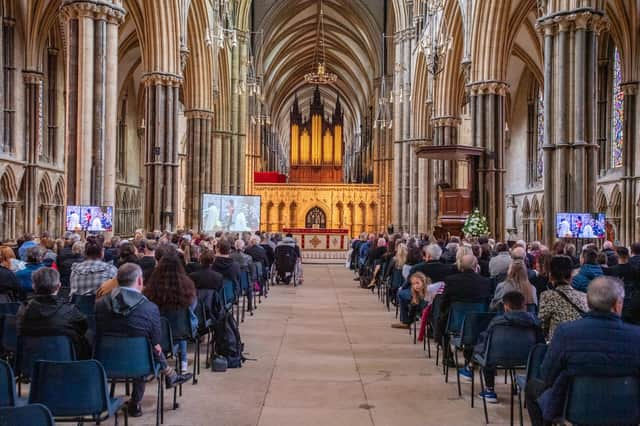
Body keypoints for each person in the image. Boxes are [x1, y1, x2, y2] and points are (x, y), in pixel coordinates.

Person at [526, 277, 640, 426]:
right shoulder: (636, 336)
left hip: (576, 410)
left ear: (588, 302)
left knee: (532, 387)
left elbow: (547, 375)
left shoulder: (566, 333)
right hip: (627, 412)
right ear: (618, 304)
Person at [96, 263, 192, 417]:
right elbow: (156, 339)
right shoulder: (149, 308)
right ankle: (137, 401)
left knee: (145, 346)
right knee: (149, 346)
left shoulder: (100, 305)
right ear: (140, 281)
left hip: (106, 362)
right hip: (140, 364)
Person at [470, 291, 544, 403]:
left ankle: (490, 390)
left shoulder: (497, 322)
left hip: (496, 357)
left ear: (506, 306)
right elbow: (540, 343)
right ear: (524, 305)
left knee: (484, 350)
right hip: (527, 359)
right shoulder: (535, 322)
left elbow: (486, 340)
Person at [16, 268, 90, 359]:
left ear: (33, 286)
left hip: (30, 364)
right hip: (64, 362)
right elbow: (83, 327)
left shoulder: (23, 310)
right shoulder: (70, 310)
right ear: (59, 286)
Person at [144, 255, 197, 374]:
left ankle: (163, 363)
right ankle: (183, 362)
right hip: (180, 330)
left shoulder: (151, 287)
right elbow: (192, 307)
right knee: (181, 323)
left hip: (156, 333)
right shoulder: (187, 286)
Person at [439, 255, 492, 367]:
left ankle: (448, 356)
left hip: (456, 323)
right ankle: (472, 356)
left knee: (441, 320)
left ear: (460, 266)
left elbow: (444, 301)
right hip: (479, 323)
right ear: (475, 266)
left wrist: (443, 311)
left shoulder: (451, 280)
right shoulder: (486, 282)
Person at [538, 255, 588, 340]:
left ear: (551, 276)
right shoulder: (584, 297)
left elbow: (542, 325)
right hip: (580, 342)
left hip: (558, 344)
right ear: (571, 276)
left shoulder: (547, 296)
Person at [603, 246, 640, 323]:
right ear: (628, 255)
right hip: (631, 302)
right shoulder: (635, 270)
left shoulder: (611, 270)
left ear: (616, 255)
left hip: (616, 301)